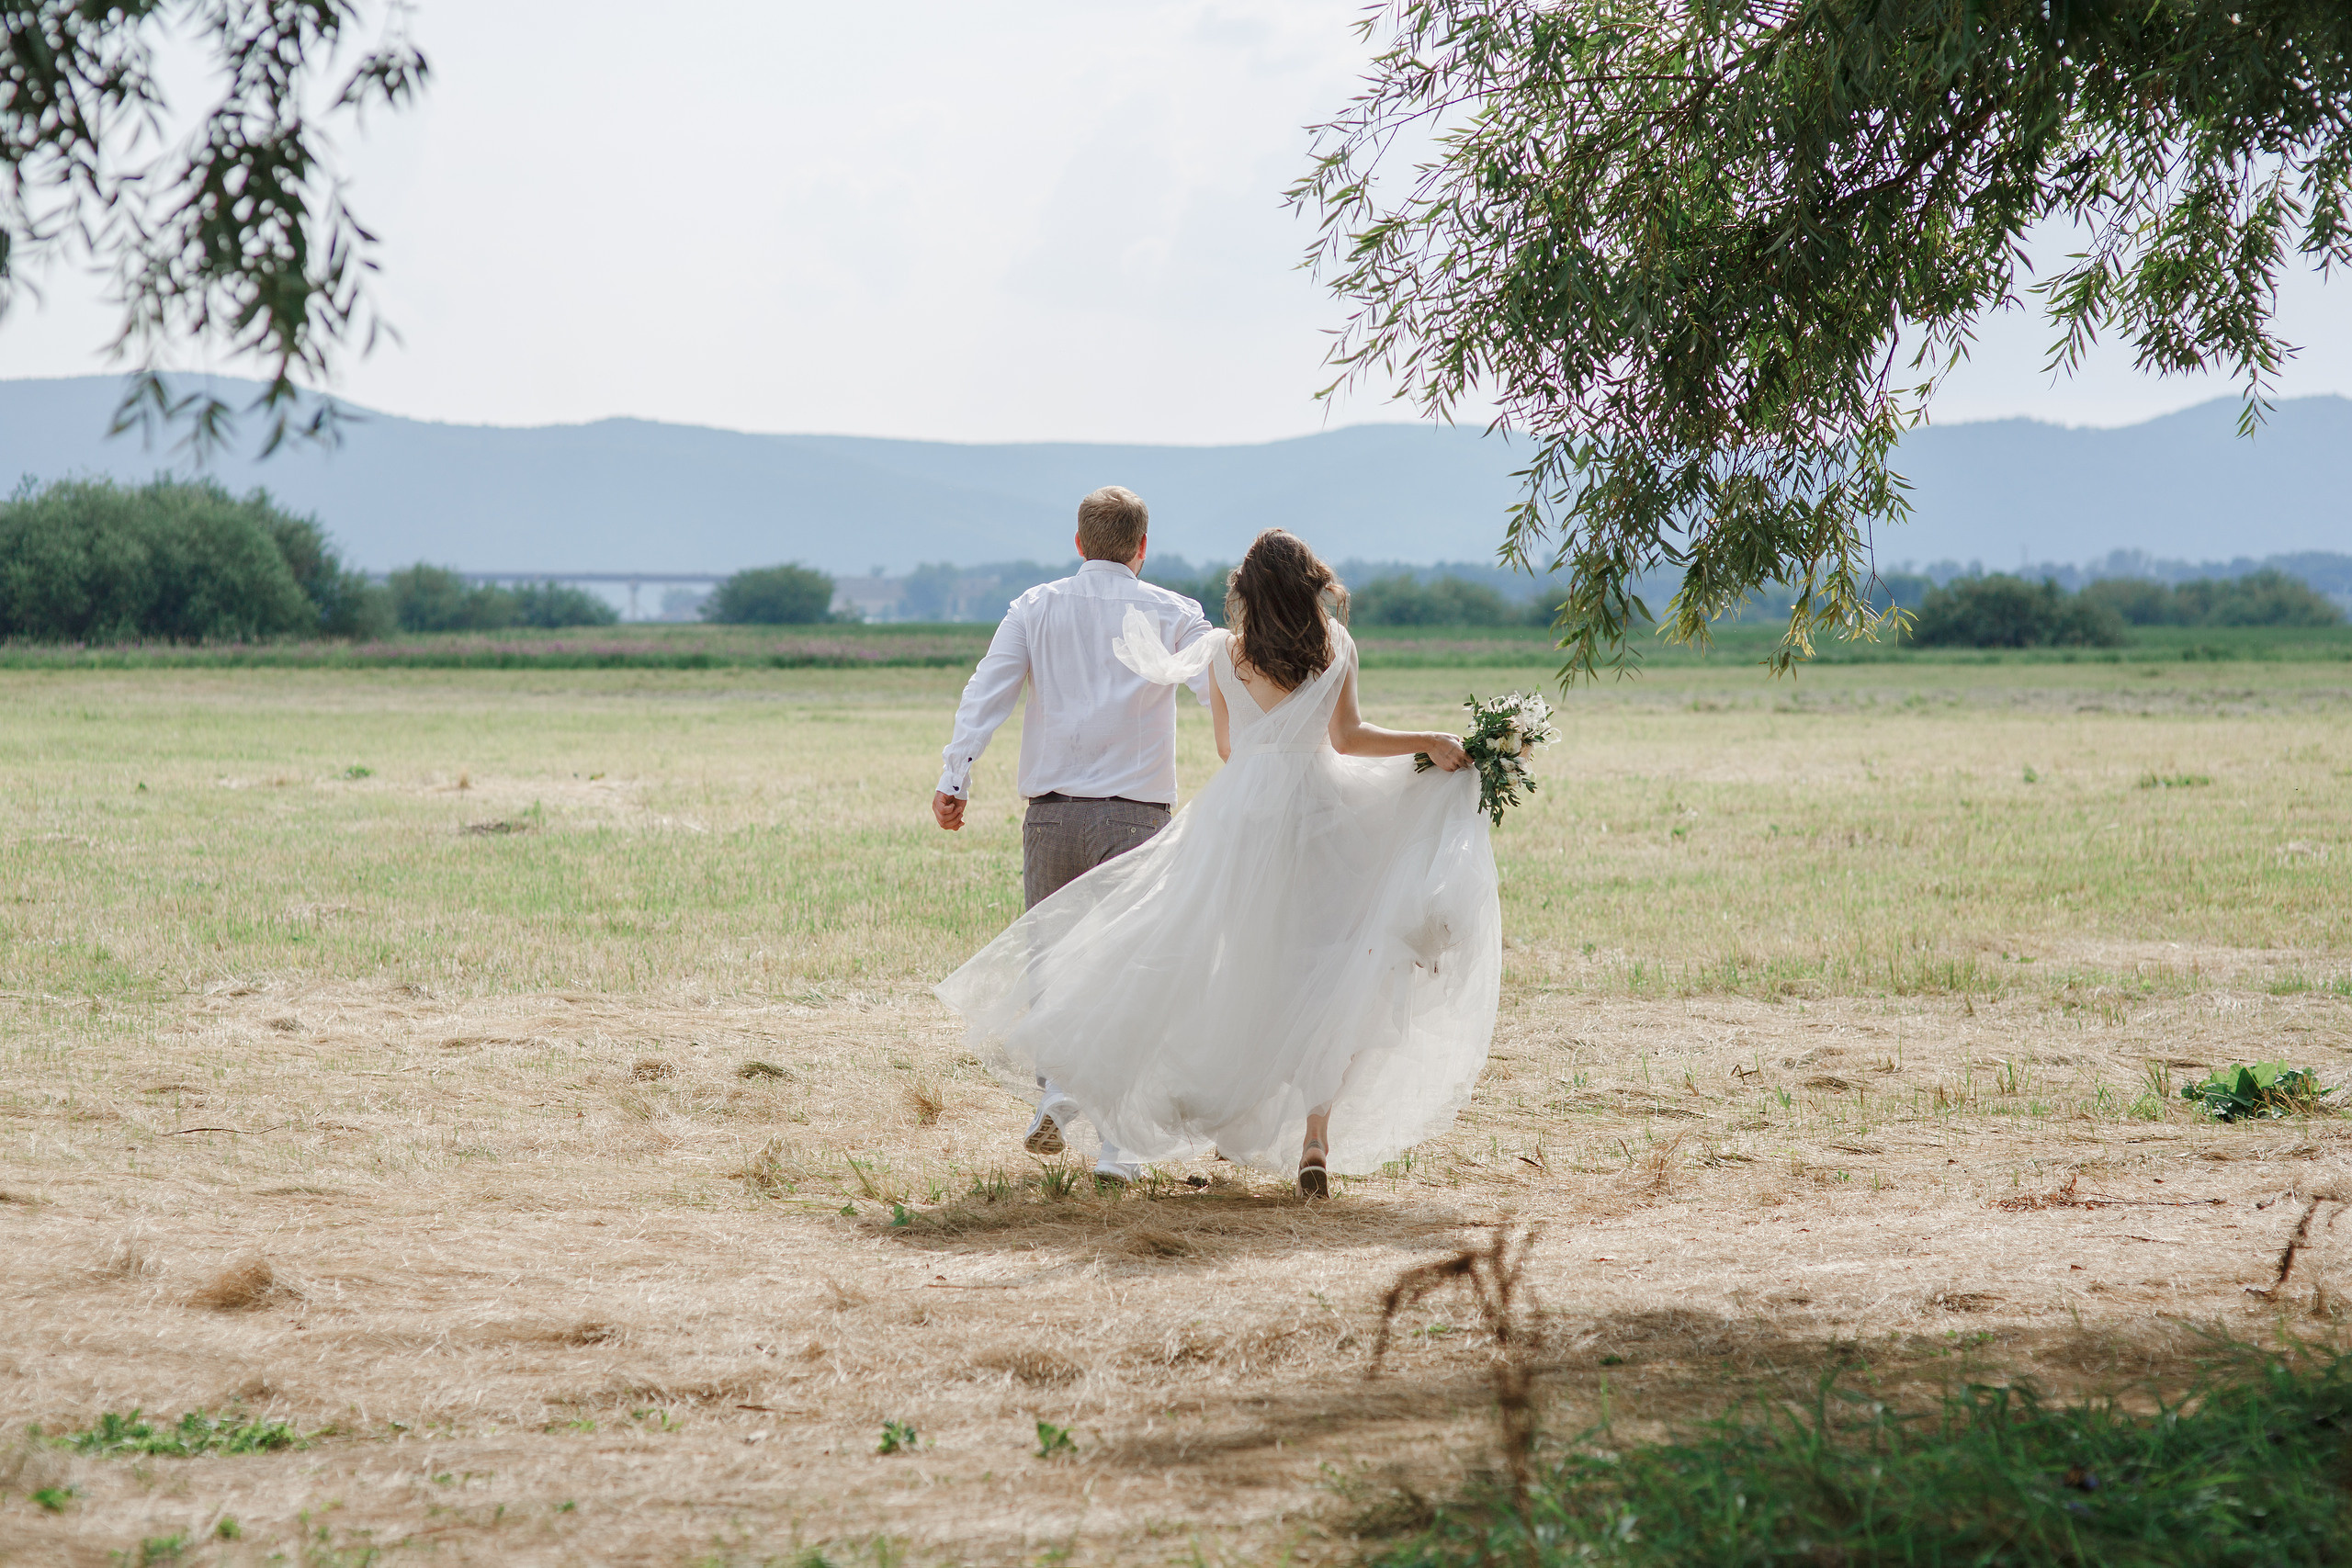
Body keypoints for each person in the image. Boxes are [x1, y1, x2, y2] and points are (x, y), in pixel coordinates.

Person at [936, 528, 1500, 1199]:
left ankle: (1085, 1082)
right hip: (1318, 805)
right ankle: (1315, 1132)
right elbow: (1348, 739)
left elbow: (1230, 747)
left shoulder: (1224, 654)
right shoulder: (1336, 646)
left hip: (1243, 813)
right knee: (1330, 961)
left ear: (1246, 590)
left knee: (1207, 952)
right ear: (1308, 581)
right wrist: (1428, 742)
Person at [932, 484, 1214, 1182]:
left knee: (1051, 961)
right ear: (1143, 548)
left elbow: (987, 688)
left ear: (1080, 542)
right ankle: (1118, 1147)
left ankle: (1056, 1090)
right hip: (1137, 816)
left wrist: (955, 775)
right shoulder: (1176, 613)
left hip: (1052, 812)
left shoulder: (1035, 606)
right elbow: (1220, 690)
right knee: (1133, 973)